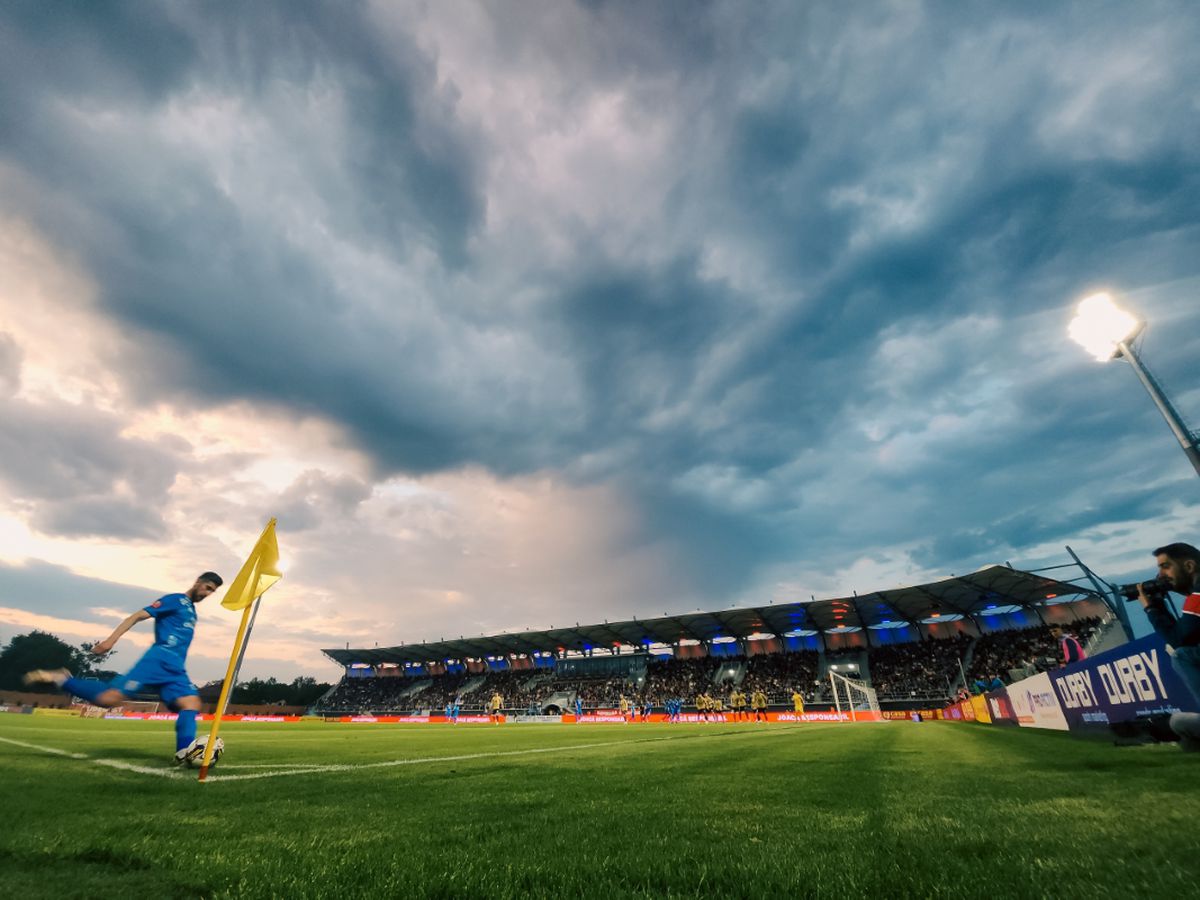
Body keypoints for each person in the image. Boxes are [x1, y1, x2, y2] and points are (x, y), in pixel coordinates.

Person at [23, 572, 223, 764]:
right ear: (198, 582)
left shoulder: (191, 610)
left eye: (211, 591)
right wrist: (110, 641)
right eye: (207, 587)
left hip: (176, 669)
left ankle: (183, 752)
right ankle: (63, 679)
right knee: (108, 700)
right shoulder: (175, 600)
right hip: (157, 660)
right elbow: (136, 616)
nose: (207, 594)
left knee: (191, 705)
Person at [1138, 542, 1200, 750]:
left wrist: (1152, 608)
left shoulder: (1198, 595)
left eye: (1165, 566)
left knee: (1181, 655)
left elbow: (1180, 640)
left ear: (1189, 566)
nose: (1161, 575)